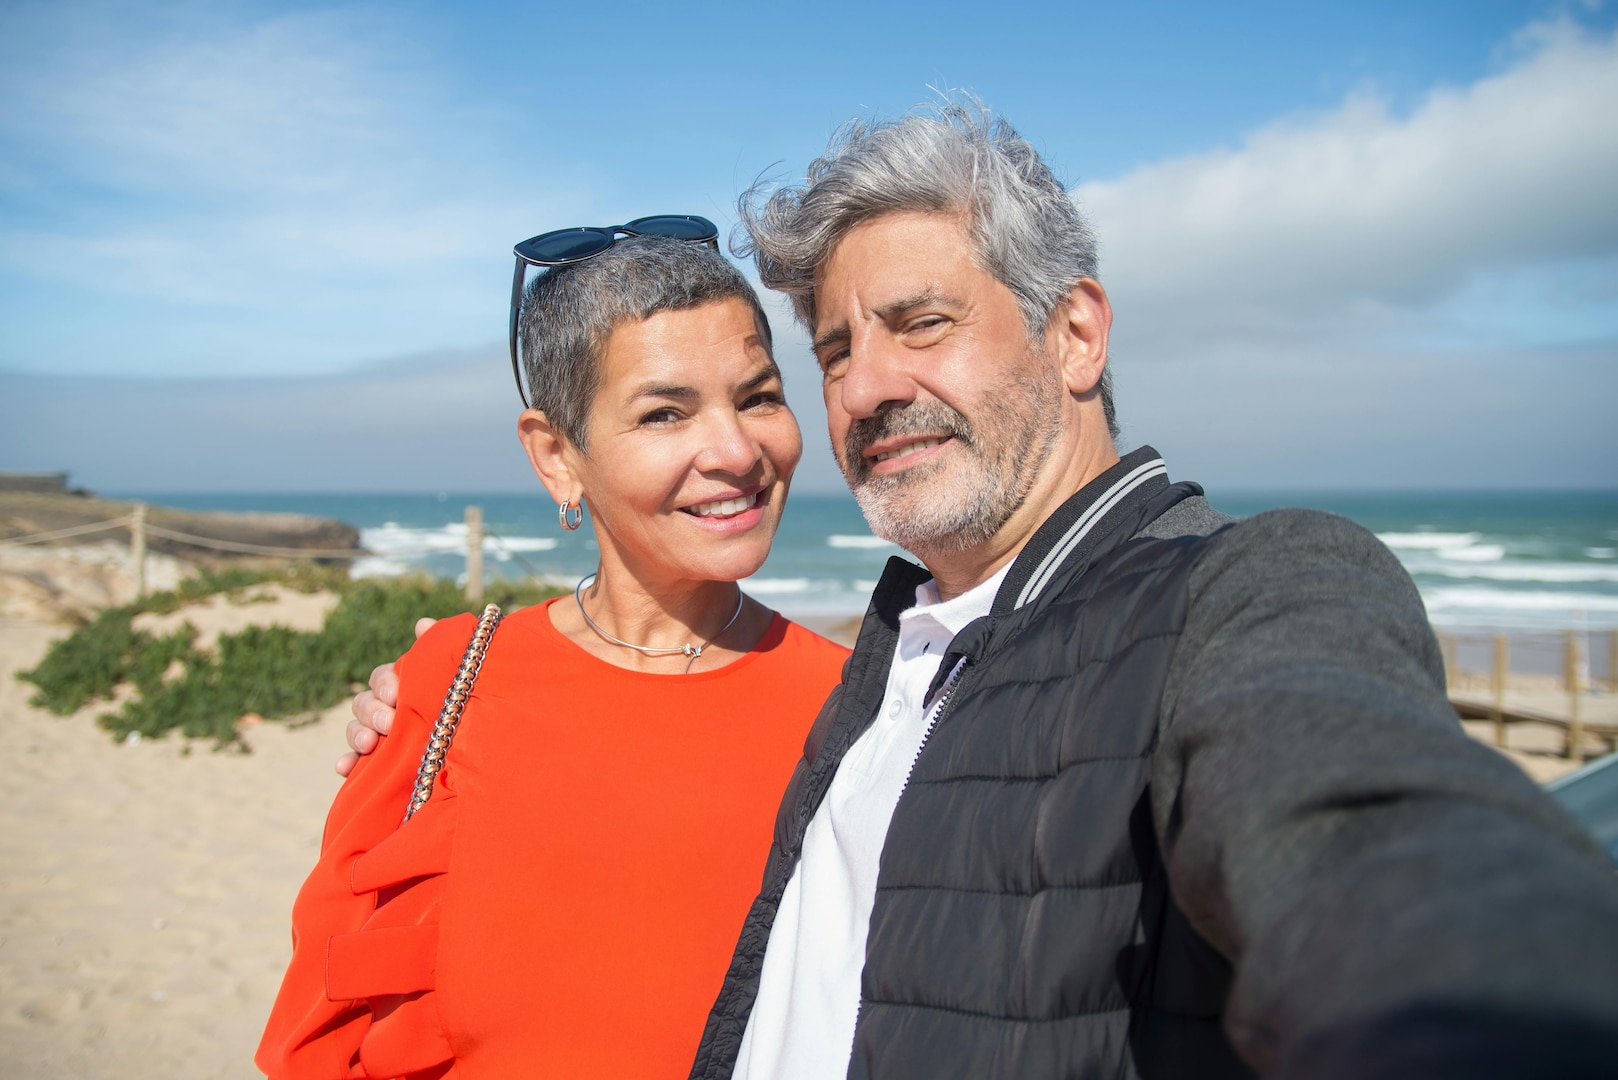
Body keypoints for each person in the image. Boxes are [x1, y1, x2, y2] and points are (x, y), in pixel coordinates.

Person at [346, 106, 1618, 1079]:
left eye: (921, 323)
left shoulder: (1243, 589)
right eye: (836, 350)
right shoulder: (887, 661)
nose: (866, 387)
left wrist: (1489, 992)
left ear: (1075, 332)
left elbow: (1354, 819)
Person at [256, 233, 850, 1079]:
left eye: (758, 398)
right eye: (664, 413)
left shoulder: (855, 704)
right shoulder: (447, 682)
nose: (737, 451)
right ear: (556, 457)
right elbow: (332, 1008)